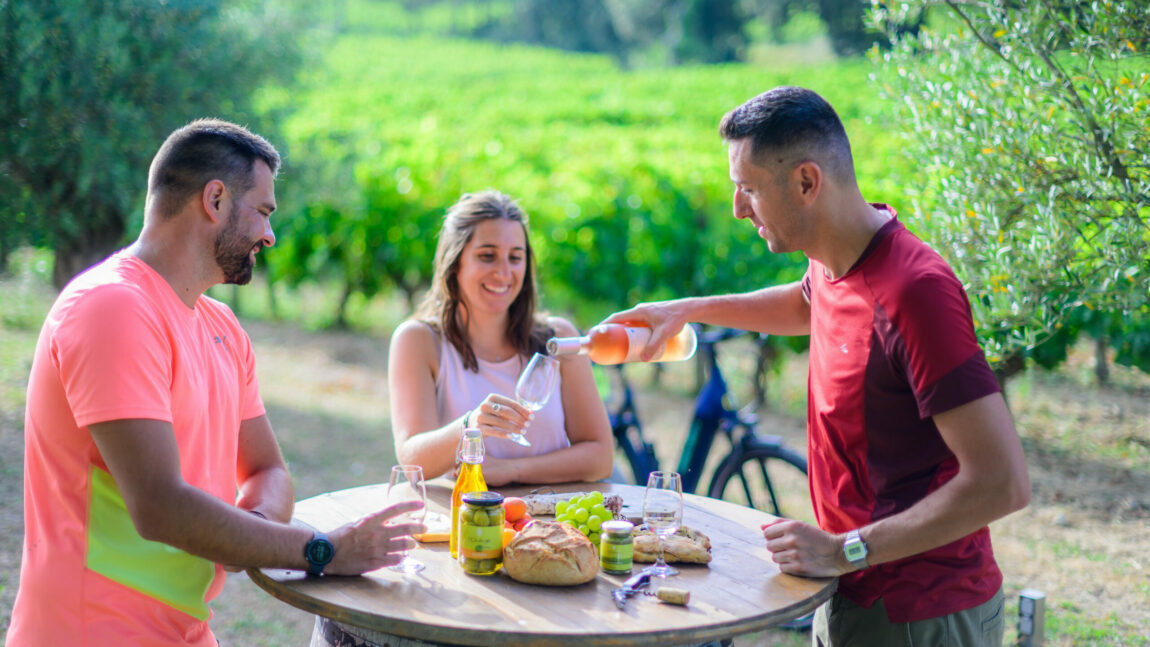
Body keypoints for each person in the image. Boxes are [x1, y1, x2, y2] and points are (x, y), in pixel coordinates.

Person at [604, 87, 1030, 646]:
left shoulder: (916, 293)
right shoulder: (836, 263)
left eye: (748, 189)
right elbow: (807, 302)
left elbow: (1001, 483)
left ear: (807, 183)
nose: (737, 208)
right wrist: (683, 311)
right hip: (849, 587)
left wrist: (844, 549)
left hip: (919, 611)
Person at [9, 119, 424, 646]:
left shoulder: (221, 326)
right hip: (91, 629)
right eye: (264, 211)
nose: (271, 235)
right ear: (215, 199)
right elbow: (159, 505)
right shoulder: (111, 307)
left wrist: (247, 534)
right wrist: (321, 549)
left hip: (185, 631)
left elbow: (267, 468)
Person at [389, 190, 614, 486]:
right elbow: (411, 458)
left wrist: (512, 470)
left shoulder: (558, 339)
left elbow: (600, 458)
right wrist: (470, 426)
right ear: (454, 262)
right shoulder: (419, 340)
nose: (504, 272)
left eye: (515, 257)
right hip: (467, 522)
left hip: (556, 523)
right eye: (487, 256)